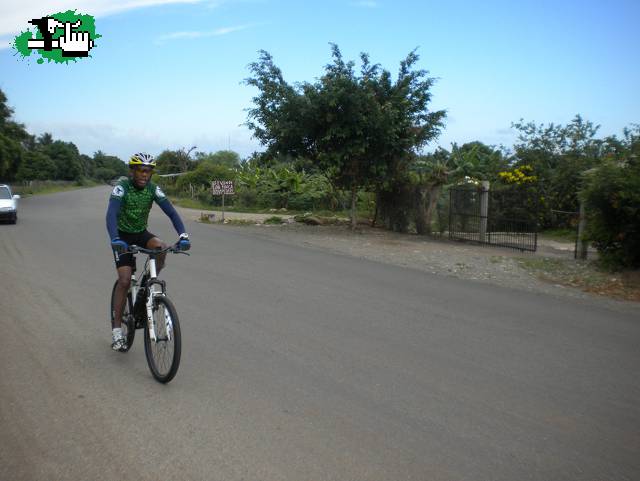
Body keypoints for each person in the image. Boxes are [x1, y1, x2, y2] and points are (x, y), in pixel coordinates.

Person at [106, 152, 190, 351]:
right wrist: (115, 239)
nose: (145, 175)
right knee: (125, 280)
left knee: (161, 247)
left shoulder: (153, 189)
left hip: (141, 232)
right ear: (133, 171)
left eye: (149, 171)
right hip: (122, 237)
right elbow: (111, 214)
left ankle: (145, 287)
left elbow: (171, 212)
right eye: (141, 170)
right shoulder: (122, 188)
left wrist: (183, 235)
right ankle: (117, 330)